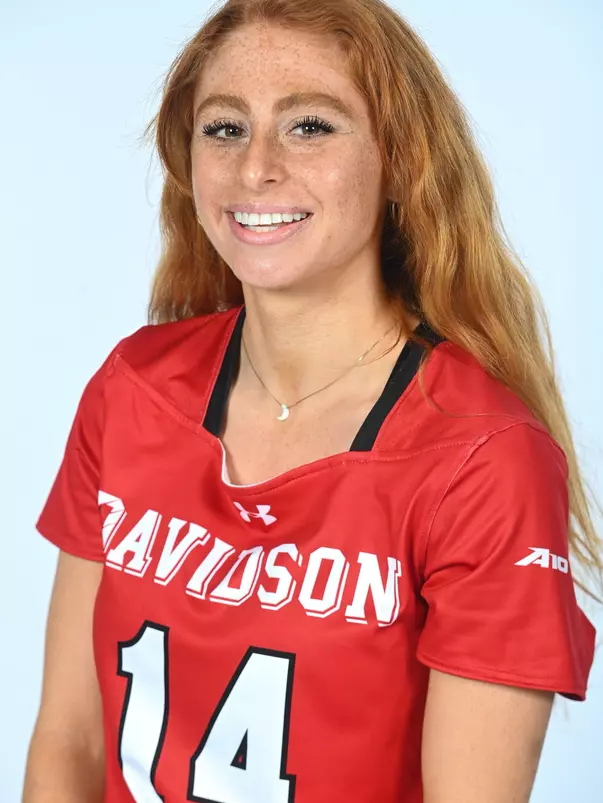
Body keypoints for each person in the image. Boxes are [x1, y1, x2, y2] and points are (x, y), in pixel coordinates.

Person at [23, 1, 601, 801]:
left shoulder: (482, 458)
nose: (255, 166)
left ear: (398, 160)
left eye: (310, 127)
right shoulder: (131, 389)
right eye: (224, 128)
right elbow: (68, 741)